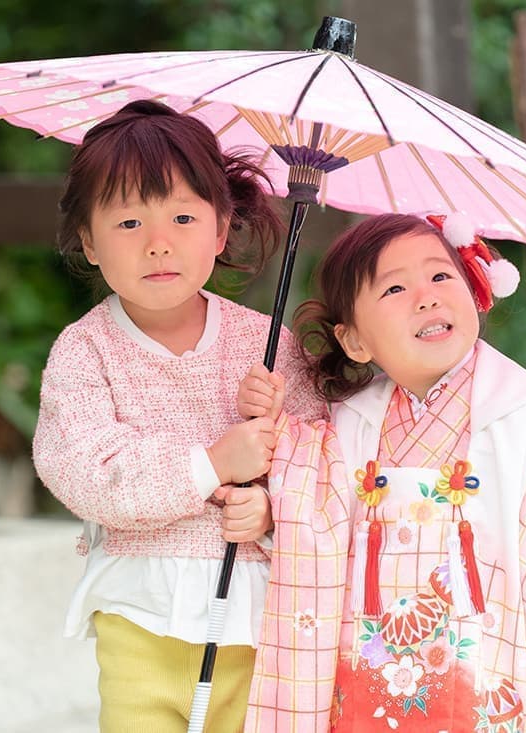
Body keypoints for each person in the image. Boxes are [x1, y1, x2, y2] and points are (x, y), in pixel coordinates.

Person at [238, 213, 526, 732]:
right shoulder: (348, 428)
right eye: (394, 287)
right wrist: (270, 489)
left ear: (475, 291)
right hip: (376, 667)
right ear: (355, 342)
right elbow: (311, 513)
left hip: (489, 660)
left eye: (440, 276)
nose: (427, 297)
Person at [32, 99, 326, 733]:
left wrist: (275, 506)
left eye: (184, 217)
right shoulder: (84, 351)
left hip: (260, 621)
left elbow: (325, 463)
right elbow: (84, 470)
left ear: (220, 232)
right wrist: (212, 464)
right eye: (130, 222)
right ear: (88, 240)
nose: (159, 243)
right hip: (141, 615)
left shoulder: (267, 348)